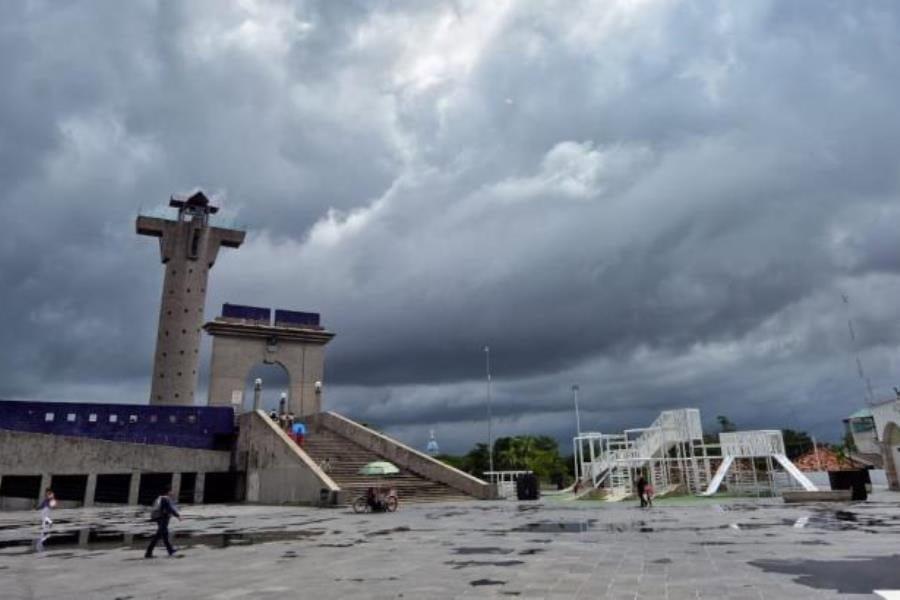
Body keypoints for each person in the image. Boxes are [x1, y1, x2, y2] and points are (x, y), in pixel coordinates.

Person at [145, 486, 181, 558]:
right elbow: (169, 509)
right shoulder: (165, 498)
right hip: (163, 519)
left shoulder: (159, 498)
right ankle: (148, 552)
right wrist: (177, 516)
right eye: (171, 491)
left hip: (160, 518)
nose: (172, 492)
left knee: (165, 535)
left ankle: (170, 550)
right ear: (168, 492)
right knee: (158, 536)